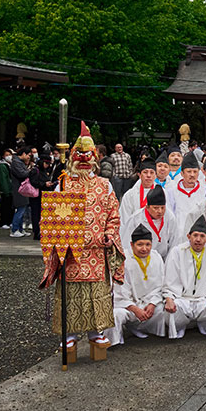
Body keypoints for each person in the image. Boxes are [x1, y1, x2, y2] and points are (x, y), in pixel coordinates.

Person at [38, 123, 124, 358]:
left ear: (95, 158)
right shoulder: (63, 184)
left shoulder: (105, 185)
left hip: (97, 251)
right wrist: (59, 238)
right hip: (71, 251)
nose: (84, 160)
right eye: (79, 155)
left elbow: (113, 214)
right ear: (72, 158)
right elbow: (51, 217)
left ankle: (96, 332)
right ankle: (70, 335)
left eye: (88, 156)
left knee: (96, 293)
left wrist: (109, 234)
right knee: (71, 295)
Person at [163, 216, 206, 339]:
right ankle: (180, 327)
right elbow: (170, 278)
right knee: (171, 310)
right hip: (182, 298)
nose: (198, 239)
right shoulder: (177, 252)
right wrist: (169, 298)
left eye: (202, 236)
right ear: (188, 236)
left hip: (203, 298)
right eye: (195, 235)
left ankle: (204, 326)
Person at [105, 224, 167, 345]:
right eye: (140, 244)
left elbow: (161, 285)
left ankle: (142, 329)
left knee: (163, 309)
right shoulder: (123, 260)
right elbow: (119, 291)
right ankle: (114, 340)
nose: (144, 248)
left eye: (148, 244)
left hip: (148, 303)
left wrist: (152, 303)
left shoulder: (156, 257)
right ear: (132, 244)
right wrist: (134, 308)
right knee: (116, 314)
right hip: (127, 305)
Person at [121, 186, 179, 261]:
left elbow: (174, 243)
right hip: (139, 259)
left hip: (163, 259)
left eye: (162, 208)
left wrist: (168, 262)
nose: (160, 211)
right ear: (147, 207)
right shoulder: (136, 218)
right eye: (156, 208)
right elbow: (126, 244)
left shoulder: (170, 218)